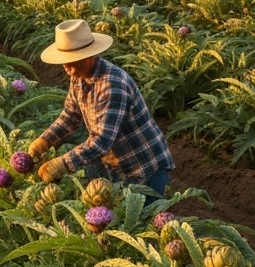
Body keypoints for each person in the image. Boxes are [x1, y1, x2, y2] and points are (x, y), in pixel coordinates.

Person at [30, 19, 174, 201]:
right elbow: (70, 115)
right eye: (65, 62)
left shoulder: (112, 85)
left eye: (74, 61)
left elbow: (101, 141)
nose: (69, 68)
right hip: (116, 164)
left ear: (90, 56)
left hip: (143, 166)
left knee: (142, 216)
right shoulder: (79, 75)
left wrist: (63, 163)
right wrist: (45, 140)